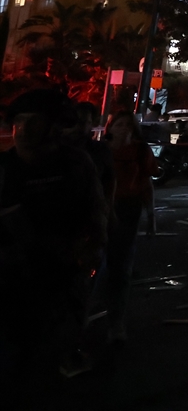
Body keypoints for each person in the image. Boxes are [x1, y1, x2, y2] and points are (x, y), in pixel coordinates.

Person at [0, 90, 107, 386]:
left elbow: (95, 211)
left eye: (33, 123)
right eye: (18, 123)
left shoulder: (75, 164)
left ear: (52, 128)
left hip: (63, 272)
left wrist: (89, 251)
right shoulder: (5, 168)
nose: (23, 131)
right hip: (12, 275)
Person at [99, 112, 156, 343]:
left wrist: (151, 214)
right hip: (100, 210)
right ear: (110, 128)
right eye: (119, 125)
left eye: (128, 125)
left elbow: (146, 183)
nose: (123, 129)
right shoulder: (100, 151)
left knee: (121, 268)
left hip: (128, 210)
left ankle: (116, 323)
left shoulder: (140, 151)